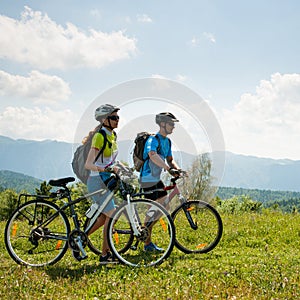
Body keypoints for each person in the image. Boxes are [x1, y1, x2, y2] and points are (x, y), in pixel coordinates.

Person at [73, 104, 120, 264]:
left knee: (103, 218)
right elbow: (88, 164)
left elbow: (108, 160)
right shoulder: (99, 136)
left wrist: (118, 167)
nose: (117, 120)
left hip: (105, 181)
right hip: (96, 181)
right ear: (104, 119)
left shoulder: (112, 136)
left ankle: (80, 239)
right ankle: (105, 255)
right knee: (111, 215)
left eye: (117, 117)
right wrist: (106, 169)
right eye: (113, 118)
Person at [139, 112, 181, 251]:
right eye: (171, 124)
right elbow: (152, 155)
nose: (173, 127)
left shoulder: (167, 142)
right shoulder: (153, 140)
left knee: (164, 207)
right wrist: (168, 169)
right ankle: (145, 239)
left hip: (155, 179)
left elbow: (170, 159)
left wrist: (178, 169)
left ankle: (145, 232)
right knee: (155, 207)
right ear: (162, 124)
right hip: (147, 179)